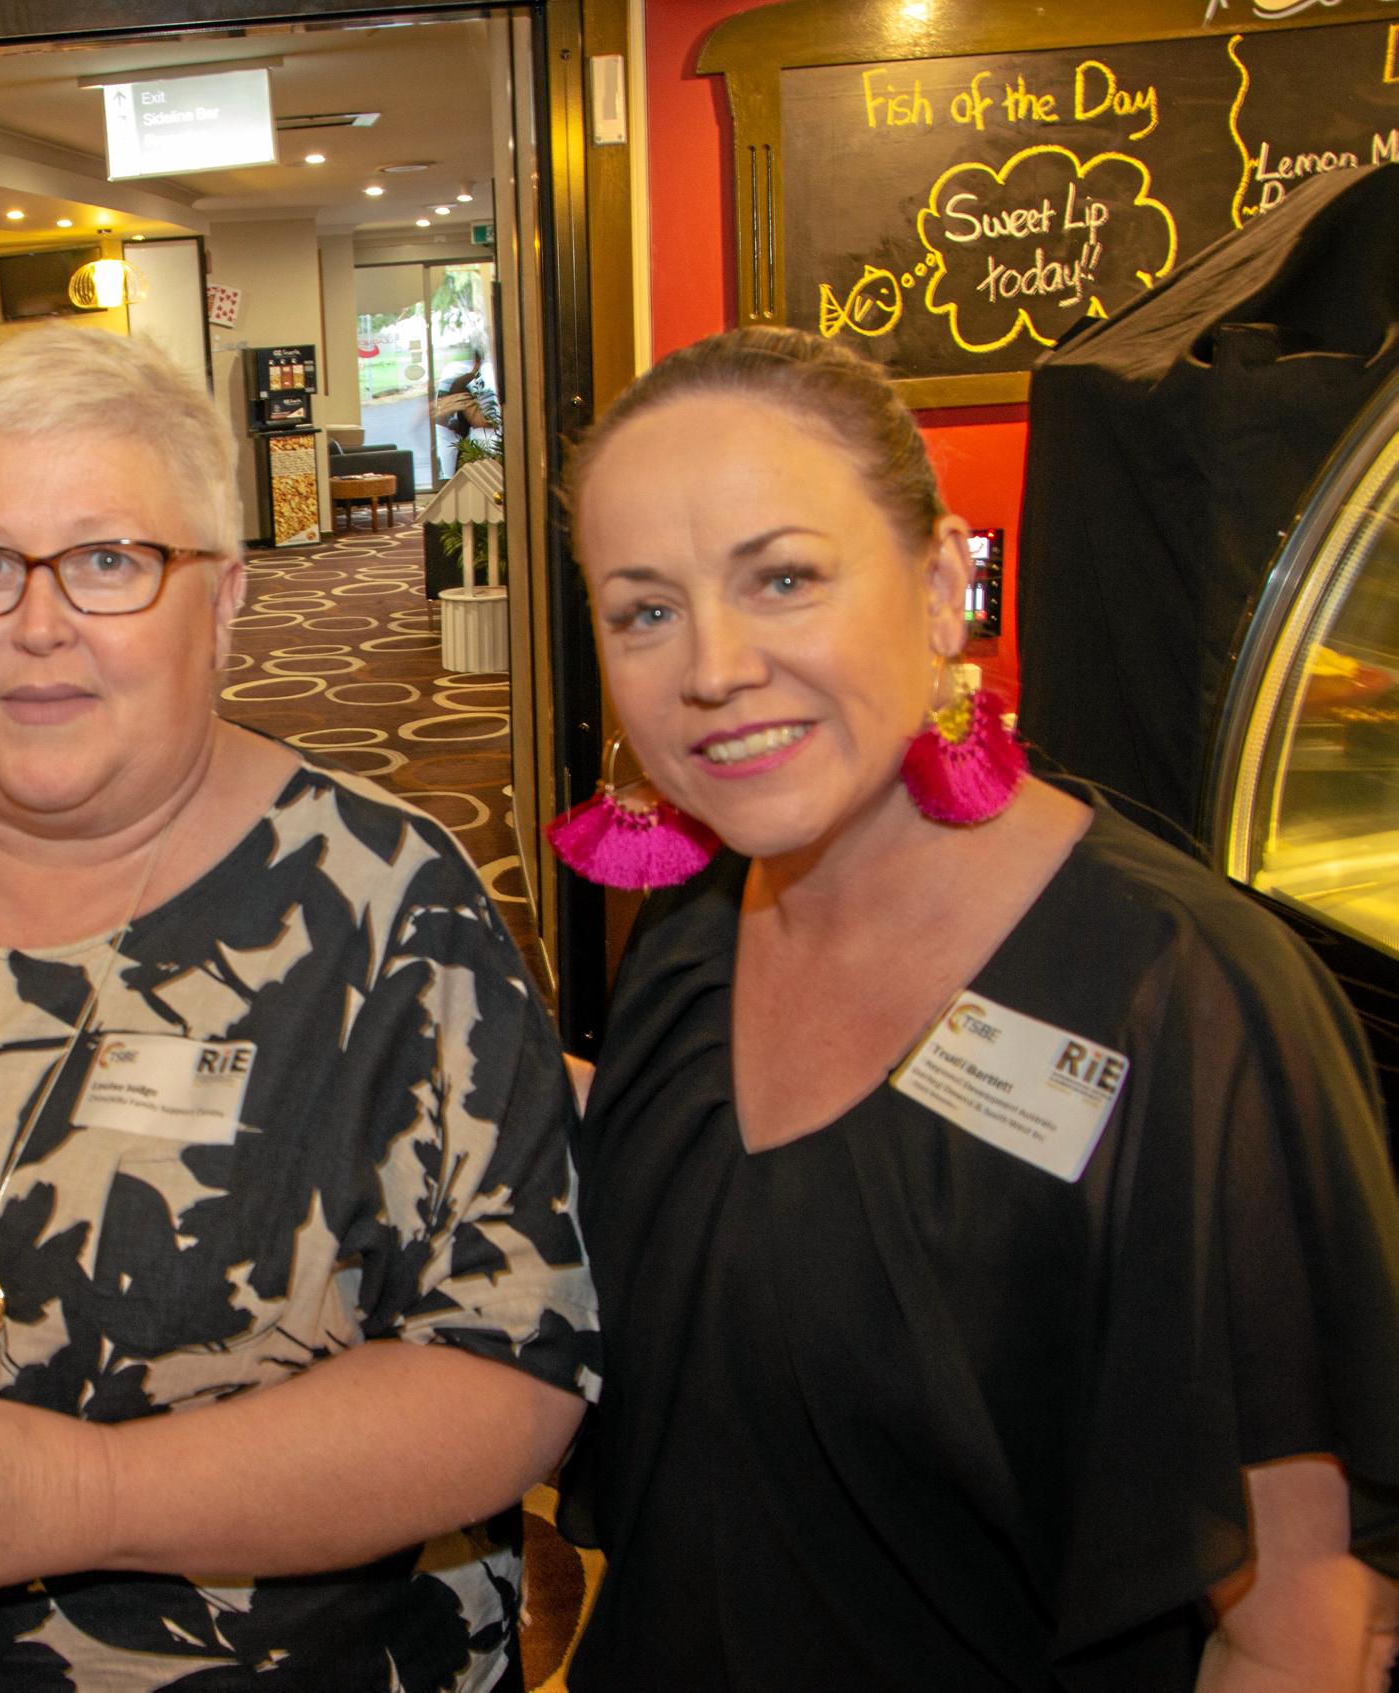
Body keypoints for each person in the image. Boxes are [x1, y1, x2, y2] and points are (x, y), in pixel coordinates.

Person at [0, 325, 596, 1691]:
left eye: (107, 560)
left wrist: (84, 1493)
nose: (38, 625)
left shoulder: (390, 908)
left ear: (222, 598)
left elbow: (512, 1380)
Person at [551, 324, 1399, 1691]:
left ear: (941, 582)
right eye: (644, 608)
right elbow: (746, 1234)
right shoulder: (689, 934)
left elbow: (1299, 1618)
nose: (710, 667)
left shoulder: (1179, 992)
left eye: (781, 577)